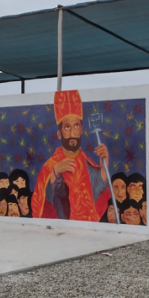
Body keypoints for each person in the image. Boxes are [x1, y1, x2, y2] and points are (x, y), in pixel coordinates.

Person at [32, 90, 111, 221]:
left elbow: (97, 187)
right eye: (67, 128)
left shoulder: (85, 162)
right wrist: (55, 172)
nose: (72, 133)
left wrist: (104, 166)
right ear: (59, 134)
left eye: (76, 126)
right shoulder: (51, 165)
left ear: (81, 130)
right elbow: (43, 202)